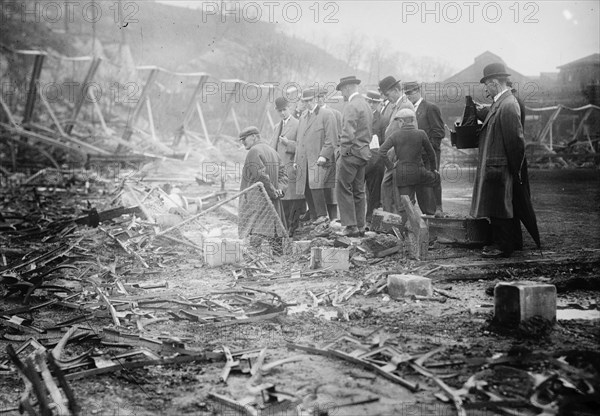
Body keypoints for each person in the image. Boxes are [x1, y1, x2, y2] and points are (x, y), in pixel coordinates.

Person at [472, 62, 533, 258]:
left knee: (500, 206)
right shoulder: (502, 102)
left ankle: (503, 245)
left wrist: (516, 170)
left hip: (501, 166)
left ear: (495, 83)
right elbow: (494, 118)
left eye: (487, 85)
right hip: (498, 165)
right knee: (503, 205)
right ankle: (512, 243)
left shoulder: (507, 104)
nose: (486, 89)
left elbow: (516, 141)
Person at [238, 126, 288, 254]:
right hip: (273, 201)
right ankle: (279, 261)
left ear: (254, 137)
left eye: (244, 139)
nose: (242, 142)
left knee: (255, 233)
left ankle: (255, 262)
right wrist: (279, 191)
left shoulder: (254, 151)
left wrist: (271, 191)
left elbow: (260, 175)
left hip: (258, 201)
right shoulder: (273, 151)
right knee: (275, 233)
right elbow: (284, 175)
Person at [294, 88, 338, 226]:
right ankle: (313, 216)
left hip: (319, 160)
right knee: (306, 186)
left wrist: (324, 155)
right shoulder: (303, 117)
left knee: (316, 186)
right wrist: (296, 159)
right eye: (304, 101)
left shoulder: (327, 115)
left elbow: (332, 139)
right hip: (304, 159)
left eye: (308, 101)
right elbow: (299, 141)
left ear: (314, 99)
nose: (306, 104)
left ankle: (322, 215)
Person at [335, 76, 373, 237]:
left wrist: (342, 153)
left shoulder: (351, 106)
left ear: (348, 88)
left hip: (350, 154)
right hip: (363, 154)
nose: (342, 93)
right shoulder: (366, 105)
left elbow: (348, 134)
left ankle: (350, 226)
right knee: (359, 191)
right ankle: (360, 225)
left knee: (343, 188)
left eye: (342, 90)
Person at [377, 109, 439, 206]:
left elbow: (381, 151)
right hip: (419, 172)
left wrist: (390, 166)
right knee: (436, 179)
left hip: (402, 174)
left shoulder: (395, 135)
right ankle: (438, 208)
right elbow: (431, 153)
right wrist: (434, 169)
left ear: (401, 121)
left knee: (406, 203)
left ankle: (406, 218)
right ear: (412, 120)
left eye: (398, 122)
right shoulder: (421, 133)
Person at [404, 81, 445, 216]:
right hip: (414, 157)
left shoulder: (430, 108)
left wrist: (428, 151)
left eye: (410, 93)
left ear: (418, 91)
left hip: (428, 155)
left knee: (430, 183)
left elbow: (438, 132)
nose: (408, 96)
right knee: (421, 188)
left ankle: (436, 212)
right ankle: (428, 216)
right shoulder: (409, 110)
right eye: (406, 93)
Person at [378, 76, 415, 214]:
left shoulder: (405, 105)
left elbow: (406, 134)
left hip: (400, 157)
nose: (387, 98)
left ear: (395, 90)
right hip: (393, 157)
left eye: (387, 95)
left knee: (400, 195)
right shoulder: (397, 105)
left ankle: (400, 225)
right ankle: (390, 222)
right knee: (387, 188)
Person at [269, 97, 304, 237]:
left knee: (293, 202)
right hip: (280, 172)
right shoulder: (277, 127)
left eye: (284, 109)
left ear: (289, 107)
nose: (282, 113)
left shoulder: (298, 124)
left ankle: (293, 232)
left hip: (292, 169)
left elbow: (303, 147)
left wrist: (288, 143)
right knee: (282, 204)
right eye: (280, 111)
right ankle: (283, 233)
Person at [363, 90, 385, 224]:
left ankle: (371, 219)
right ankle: (361, 219)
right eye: (369, 101)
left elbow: (384, 141)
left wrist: (377, 158)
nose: (371, 105)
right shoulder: (361, 117)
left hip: (376, 161)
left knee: (374, 192)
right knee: (360, 191)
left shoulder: (382, 120)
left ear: (378, 104)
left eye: (374, 102)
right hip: (361, 159)